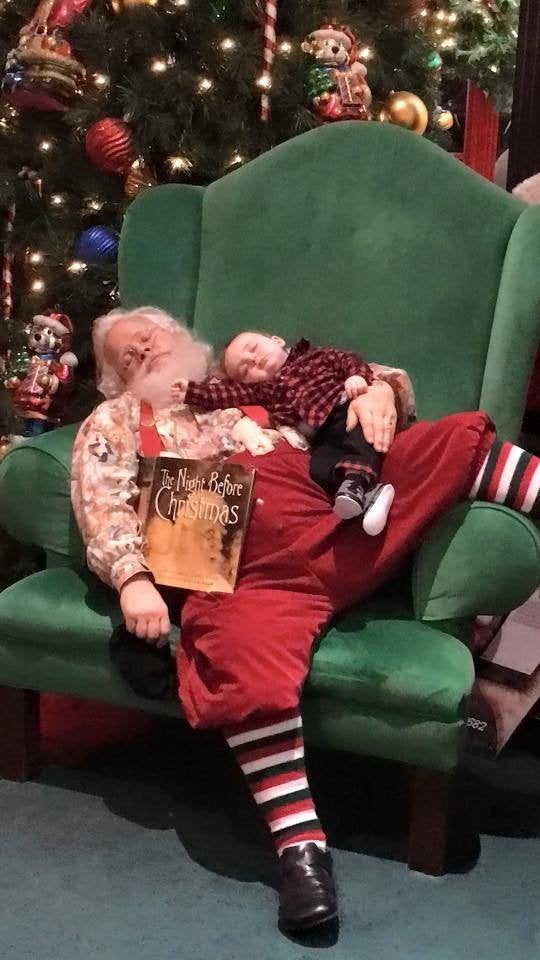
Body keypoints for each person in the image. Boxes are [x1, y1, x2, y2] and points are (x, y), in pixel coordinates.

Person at [72, 306, 540, 933]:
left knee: (448, 440)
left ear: (184, 339)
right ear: (113, 381)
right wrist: (132, 580)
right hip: (244, 574)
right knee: (241, 660)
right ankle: (300, 850)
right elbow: (101, 503)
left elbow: (348, 377)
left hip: (337, 519)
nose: (143, 353)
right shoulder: (115, 420)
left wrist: (381, 389)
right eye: (125, 356)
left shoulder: (253, 378)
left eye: (149, 338)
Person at [172, 331, 399, 532]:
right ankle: (371, 495)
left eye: (253, 348)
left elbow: (347, 360)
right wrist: (190, 391)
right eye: (245, 369)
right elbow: (223, 395)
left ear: (276, 340)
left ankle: (358, 483)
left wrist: (356, 376)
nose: (253, 360)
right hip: (320, 436)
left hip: (343, 408)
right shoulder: (264, 391)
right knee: (318, 469)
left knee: (358, 440)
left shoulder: (315, 357)